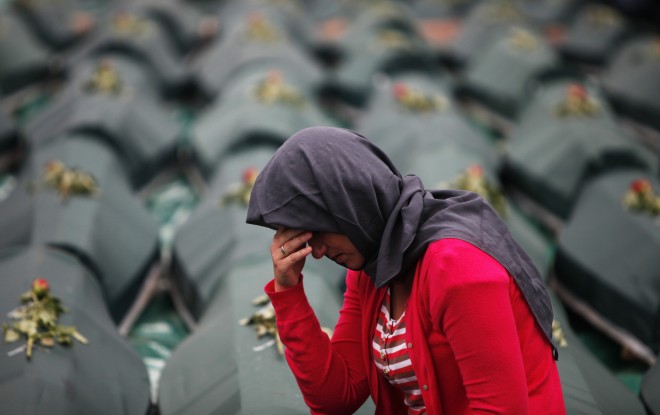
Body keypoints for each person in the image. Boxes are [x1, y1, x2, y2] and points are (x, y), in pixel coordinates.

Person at [246, 126, 565, 414]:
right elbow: (337, 397)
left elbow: (501, 409)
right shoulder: (372, 269)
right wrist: (288, 291)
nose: (315, 252)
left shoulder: (456, 268)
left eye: (317, 232)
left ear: (350, 205)